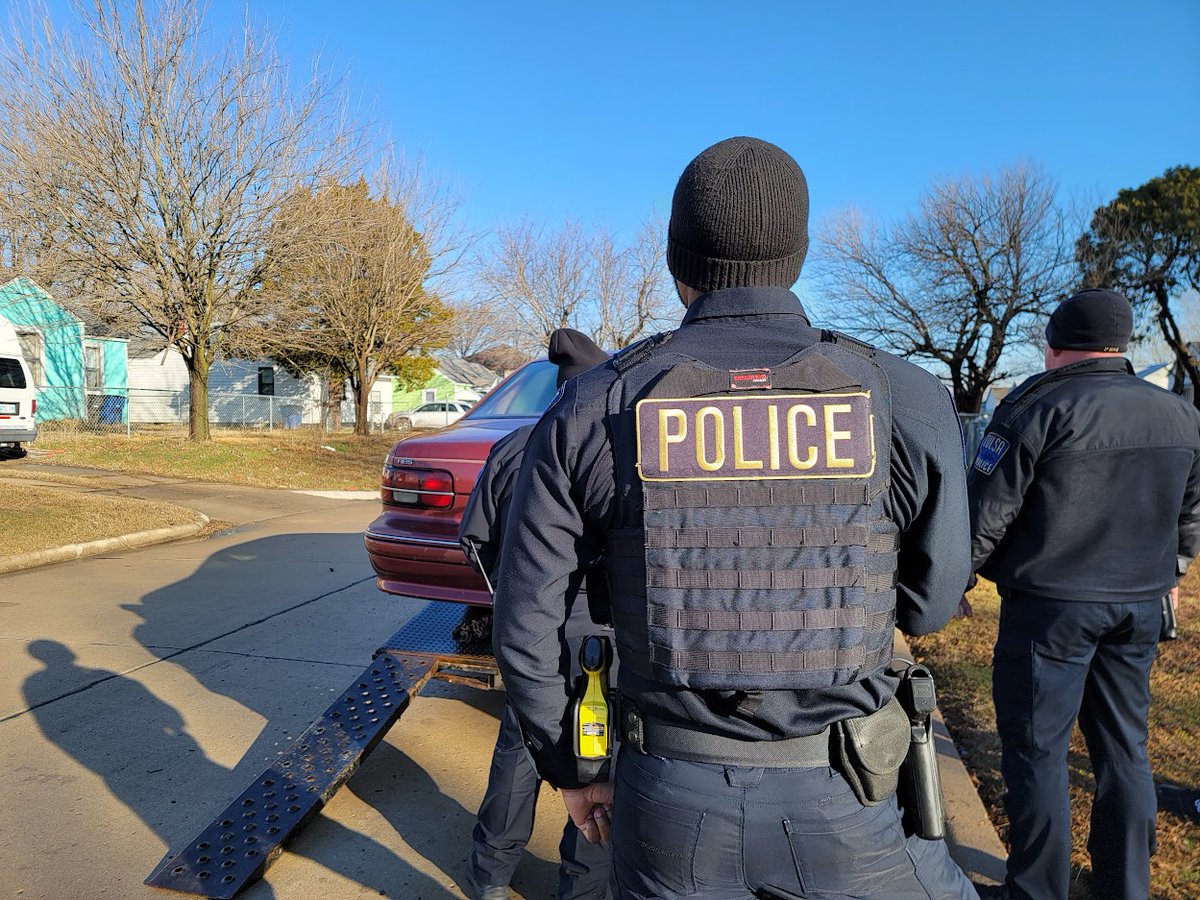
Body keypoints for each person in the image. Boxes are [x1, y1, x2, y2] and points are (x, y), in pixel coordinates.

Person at [493, 136, 979, 899]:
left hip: (665, 802)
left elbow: (526, 620)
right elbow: (932, 601)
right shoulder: (902, 396)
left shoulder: (593, 407)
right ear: (799, 253)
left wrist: (573, 771)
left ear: (673, 260)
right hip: (851, 797)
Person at [967, 288, 1200, 900]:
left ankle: (1038, 890)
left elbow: (987, 511)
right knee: (1126, 747)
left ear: (1054, 345)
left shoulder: (1035, 406)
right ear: (1119, 345)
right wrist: (1168, 574)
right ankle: (1126, 886)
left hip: (1051, 609)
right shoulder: (1179, 413)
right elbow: (1190, 514)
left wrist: (955, 580)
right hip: (1140, 606)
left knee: (1038, 751)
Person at [459, 327, 612, 900]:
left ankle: (488, 879)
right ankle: (582, 888)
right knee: (597, 760)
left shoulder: (511, 446)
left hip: (528, 631)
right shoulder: (615, 445)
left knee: (521, 750)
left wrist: (506, 596)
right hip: (602, 633)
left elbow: (474, 539)